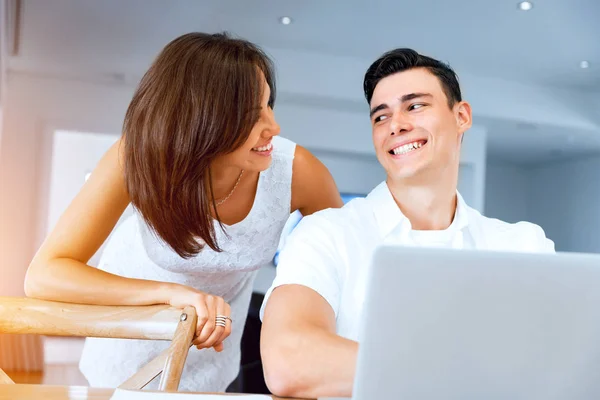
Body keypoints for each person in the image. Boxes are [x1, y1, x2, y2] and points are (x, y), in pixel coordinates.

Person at [23, 32, 343, 392]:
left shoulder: (299, 173)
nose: (274, 126)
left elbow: (343, 274)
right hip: (129, 343)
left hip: (215, 349)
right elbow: (44, 275)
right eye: (253, 116)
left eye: (270, 105)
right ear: (203, 119)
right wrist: (172, 294)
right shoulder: (137, 156)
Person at [259, 48, 555, 399]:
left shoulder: (523, 246)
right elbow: (288, 361)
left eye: (415, 106)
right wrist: (462, 373)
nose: (396, 125)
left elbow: (554, 366)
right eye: (380, 117)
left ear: (461, 116)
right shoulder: (326, 234)